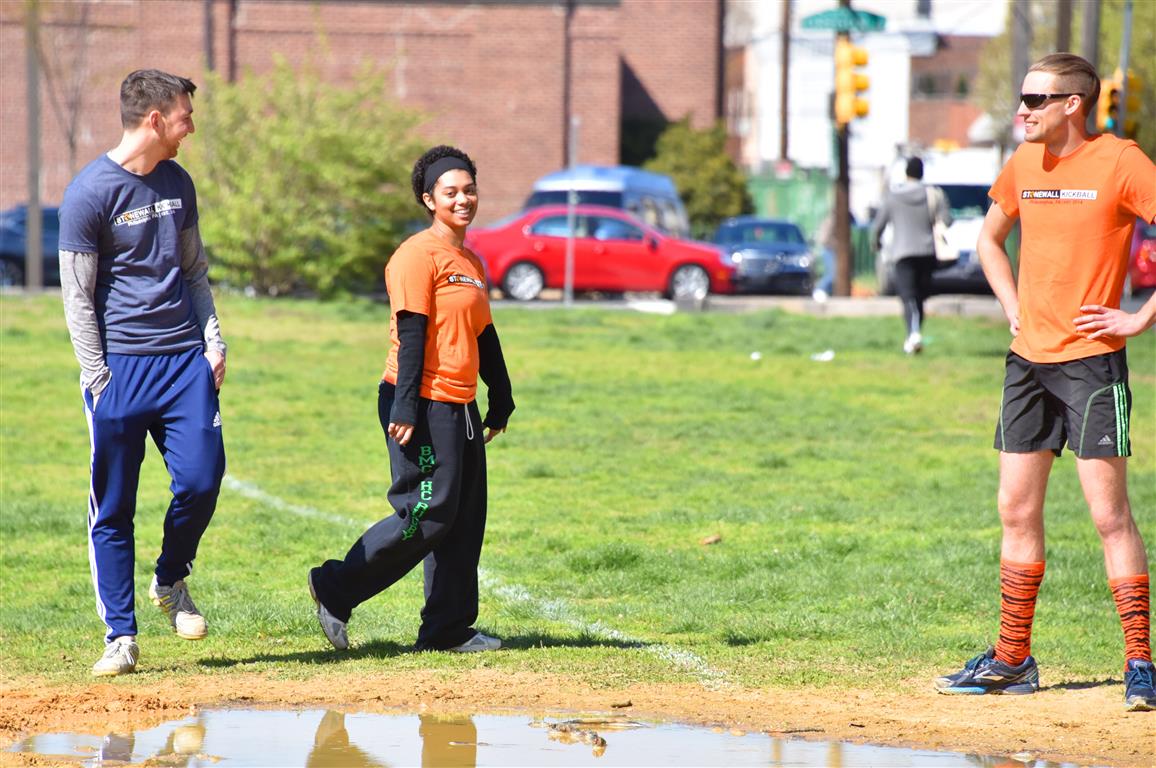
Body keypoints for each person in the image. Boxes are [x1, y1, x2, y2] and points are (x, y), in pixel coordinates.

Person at [934, 53, 1156, 711]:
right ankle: (1012, 659)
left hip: (1092, 362)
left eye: (1036, 99)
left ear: (1073, 105)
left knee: (1109, 514)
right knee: (1015, 509)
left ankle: (1140, 664)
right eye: (1021, 98)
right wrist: (1012, 307)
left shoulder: (1120, 161)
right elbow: (988, 240)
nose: (1021, 110)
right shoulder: (1025, 164)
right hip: (1027, 363)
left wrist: (1139, 315)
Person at [308, 145, 514, 653]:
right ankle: (335, 588)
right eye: (451, 192)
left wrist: (501, 394)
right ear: (429, 199)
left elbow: (482, 333)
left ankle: (447, 630)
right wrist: (405, 408)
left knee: (465, 520)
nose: (463, 199)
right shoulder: (415, 256)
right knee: (428, 513)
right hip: (420, 401)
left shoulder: (469, 259)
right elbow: (413, 331)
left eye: (469, 190)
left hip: (460, 404)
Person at [59, 69, 228, 677]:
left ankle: (170, 577)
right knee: (114, 506)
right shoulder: (88, 194)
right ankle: (121, 637)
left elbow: (193, 272)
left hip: (184, 361)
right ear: (155, 119)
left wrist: (213, 342)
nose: (191, 125)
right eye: (185, 115)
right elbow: (77, 298)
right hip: (120, 371)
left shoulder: (179, 181)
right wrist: (98, 378)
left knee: (203, 479)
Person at [870, 156, 951, 354]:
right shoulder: (933, 194)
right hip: (927, 252)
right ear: (922, 173)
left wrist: (876, 243)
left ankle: (912, 334)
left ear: (906, 173)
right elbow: (947, 220)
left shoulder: (893, 196)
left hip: (902, 252)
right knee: (920, 296)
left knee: (907, 296)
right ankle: (915, 333)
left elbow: (878, 225)